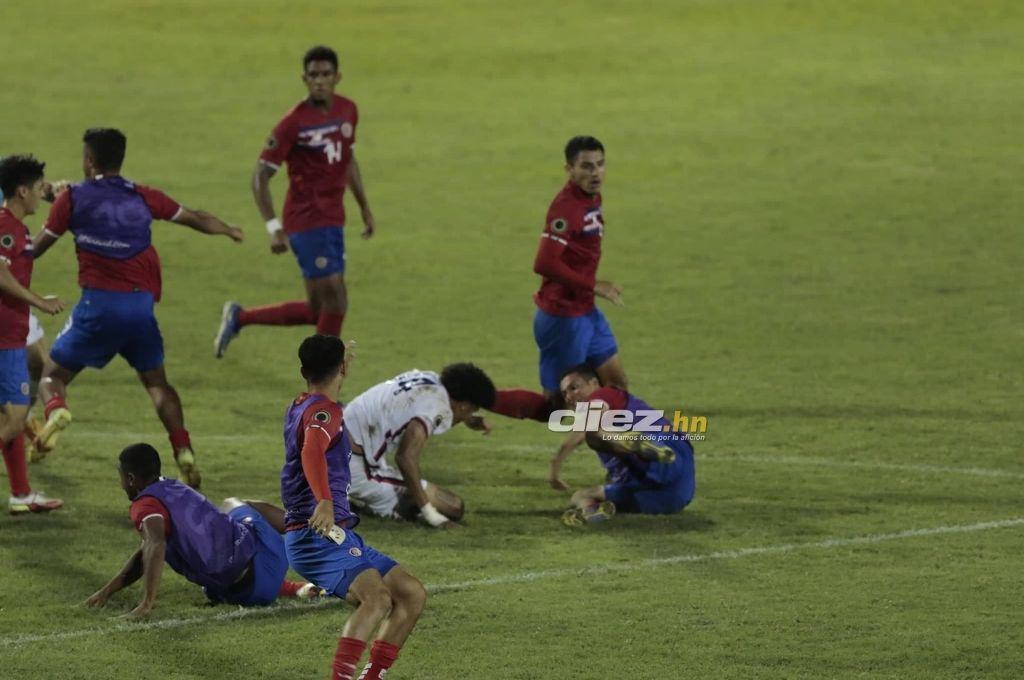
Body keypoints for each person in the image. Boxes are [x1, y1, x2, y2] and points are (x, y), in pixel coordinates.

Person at [32, 128, 244, 488]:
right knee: (158, 384)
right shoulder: (144, 196)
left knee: (52, 376)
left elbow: (35, 249)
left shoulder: (72, 199)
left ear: (89, 160)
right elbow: (195, 217)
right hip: (140, 310)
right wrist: (228, 230)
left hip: (98, 308)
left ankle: (57, 411)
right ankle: (184, 451)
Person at [214, 45, 375, 357]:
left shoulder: (348, 110)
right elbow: (260, 176)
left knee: (320, 308)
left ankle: (240, 317)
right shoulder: (293, 123)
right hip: (306, 220)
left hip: (333, 218)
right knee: (336, 301)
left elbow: (348, 159)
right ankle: (322, 379)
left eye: (326, 74)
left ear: (337, 77)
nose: (320, 81)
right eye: (313, 75)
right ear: (304, 79)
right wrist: (273, 226)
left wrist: (364, 206)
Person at [281, 335, 426, 680]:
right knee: (377, 600)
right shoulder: (325, 411)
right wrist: (325, 501)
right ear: (343, 368)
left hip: (335, 533)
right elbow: (312, 450)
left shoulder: (302, 404)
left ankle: (371, 676)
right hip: (314, 534)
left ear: (303, 371)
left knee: (411, 594)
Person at [486, 136, 628, 473]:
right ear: (569, 169)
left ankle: (622, 460)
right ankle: (479, 397)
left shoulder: (590, 197)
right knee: (558, 409)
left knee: (616, 388)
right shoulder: (567, 208)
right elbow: (544, 263)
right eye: (586, 166)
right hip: (563, 318)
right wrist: (594, 285)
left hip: (586, 312)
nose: (595, 173)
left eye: (600, 165)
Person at [84, 443, 323, 620]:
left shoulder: (144, 506)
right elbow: (148, 549)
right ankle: (314, 532)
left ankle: (299, 574)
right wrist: (105, 592)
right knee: (233, 505)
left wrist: (146, 604)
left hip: (247, 592)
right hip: (266, 561)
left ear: (131, 478)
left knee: (228, 512)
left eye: (120, 477)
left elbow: (155, 544)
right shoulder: (175, 487)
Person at [345, 364, 496, 527]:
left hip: (337, 441)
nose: (470, 414)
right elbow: (405, 457)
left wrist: (466, 418)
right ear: (464, 405)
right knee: (453, 506)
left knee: (427, 496)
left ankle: (347, 494)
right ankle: (347, 497)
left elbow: (415, 406)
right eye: (471, 410)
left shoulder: (429, 378)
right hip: (353, 466)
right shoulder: (435, 408)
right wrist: (430, 513)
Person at [0, 154, 65, 514]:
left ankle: (21, 494)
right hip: (4, 337)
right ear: (22, 191)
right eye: (38, 187)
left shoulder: (17, 227)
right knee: (14, 419)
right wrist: (40, 301)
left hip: (11, 333)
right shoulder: (6, 227)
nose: (42, 193)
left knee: (11, 416)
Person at [555, 364, 695, 526]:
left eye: (574, 388)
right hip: (672, 495)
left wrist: (554, 467)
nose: (569, 396)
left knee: (594, 435)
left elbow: (589, 428)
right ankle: (591, 513)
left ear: (593, 383)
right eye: (564, 393)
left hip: (667, 451)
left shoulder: (603, 394)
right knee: (580, 496)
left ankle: (630, 443)